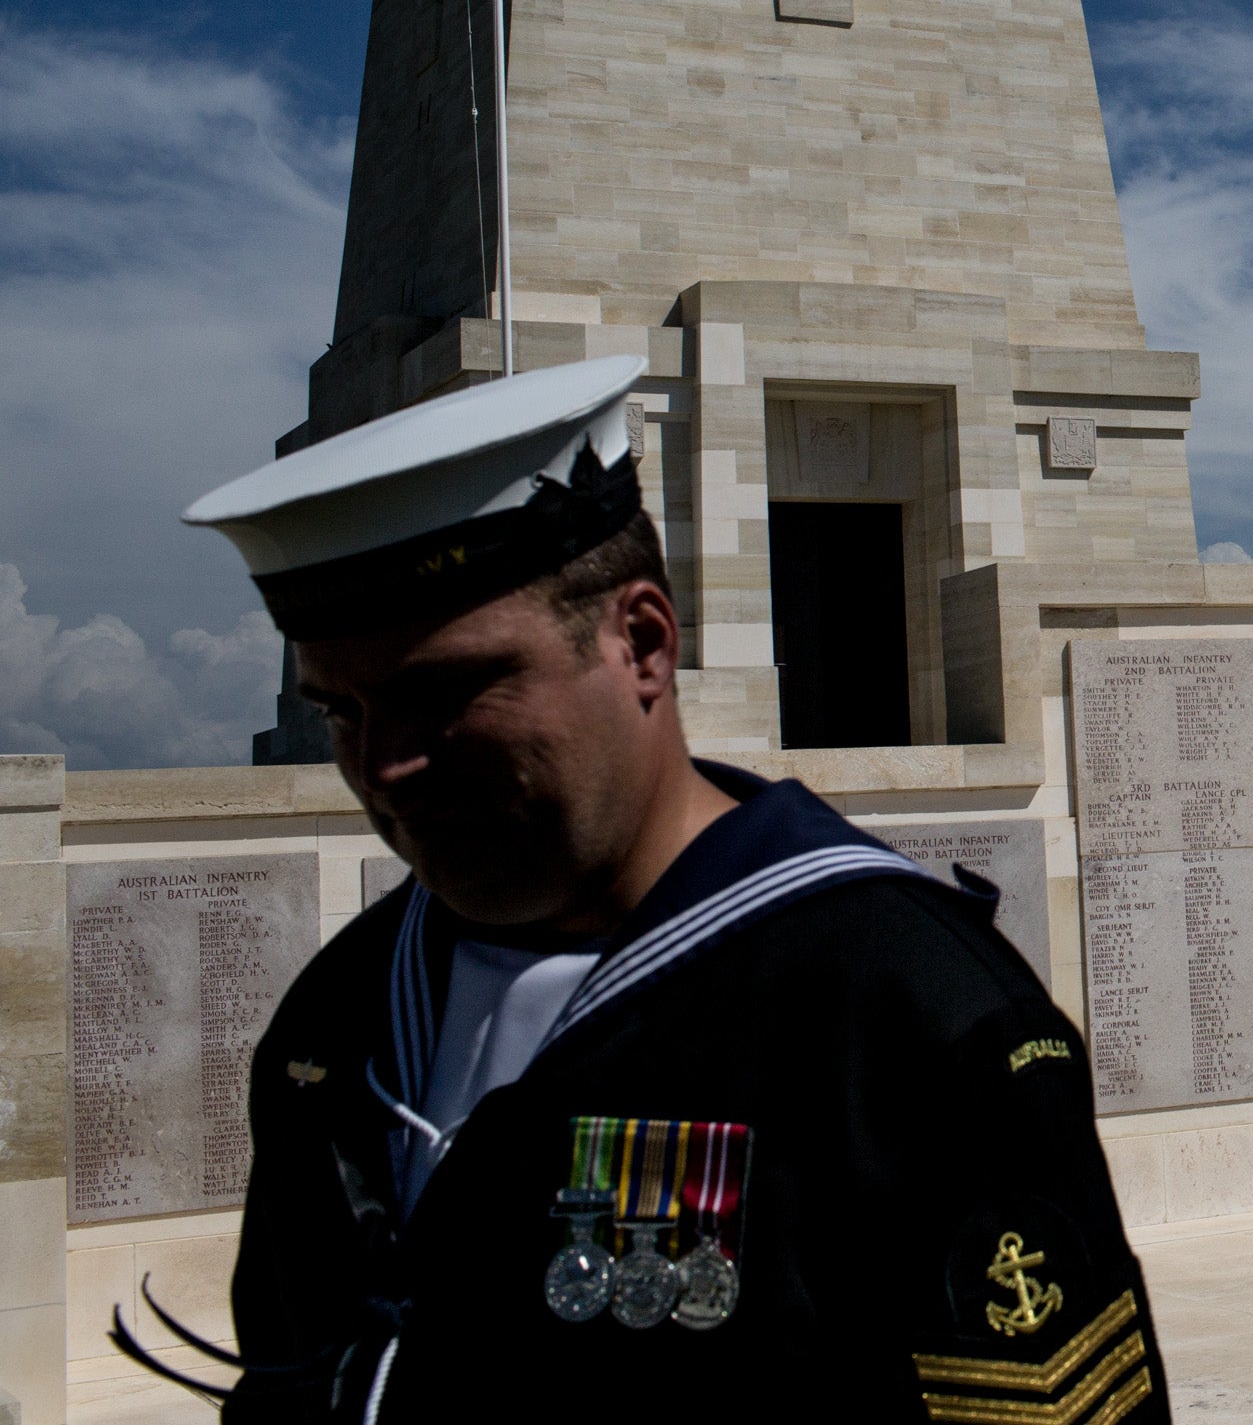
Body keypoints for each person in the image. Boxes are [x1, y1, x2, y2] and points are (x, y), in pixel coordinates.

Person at [154, 356, 1164, 1422]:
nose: (388, 762)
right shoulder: (337, 1023)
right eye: (343, 712)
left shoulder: (901, 1013)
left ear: (641, 640)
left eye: (445, 690)